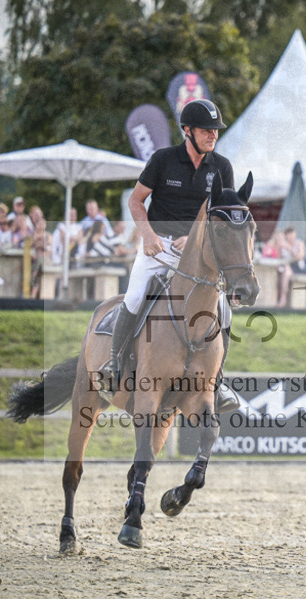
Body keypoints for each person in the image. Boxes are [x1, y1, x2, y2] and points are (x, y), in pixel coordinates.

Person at [103, 98, 239, 411]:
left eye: (216, 131)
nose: (213, 136)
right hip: (157, 247)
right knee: (135, 297)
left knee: (223, 309)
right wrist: (147, 236)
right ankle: (114, 365)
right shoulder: (163, 160)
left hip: (195, 253)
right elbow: (136, 202)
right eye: (207, 130)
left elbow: (222, 216)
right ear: (188, 131)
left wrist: (193, 237)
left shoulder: (222, 168)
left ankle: (218, 381)